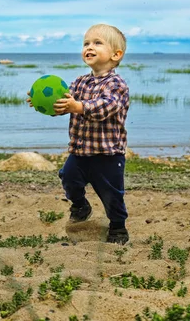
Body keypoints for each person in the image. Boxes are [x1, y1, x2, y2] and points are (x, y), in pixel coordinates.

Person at [29, 23, 130, 244]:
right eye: (86, 43)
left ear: (116, 54)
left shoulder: (117, 84)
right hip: (80, 151)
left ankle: (118, 228)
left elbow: (105, 107)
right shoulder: (79, 82)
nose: (89, 47)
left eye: (97, 43)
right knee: (68, 176)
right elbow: (66, 104)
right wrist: (42, 102)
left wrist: (80, 107)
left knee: (112, 194)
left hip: (108, 154)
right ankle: (80, 205)